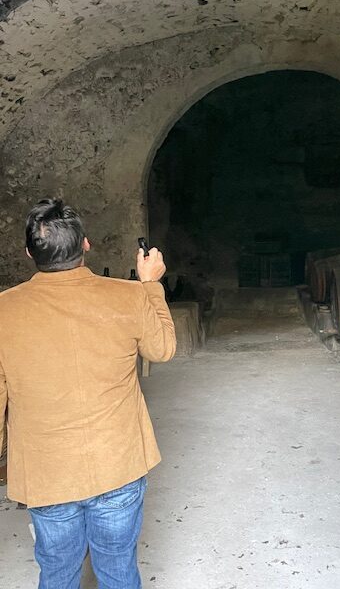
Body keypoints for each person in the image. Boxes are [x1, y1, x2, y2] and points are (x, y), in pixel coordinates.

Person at [0, 198, 176, 589]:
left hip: (47, 473)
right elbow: (162, 348)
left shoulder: (3, 310)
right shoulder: (127, 296)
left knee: (58, 572)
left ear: (29, 253)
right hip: (117, 464)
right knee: (117, 569)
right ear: (86, 245)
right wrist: (150, 285)